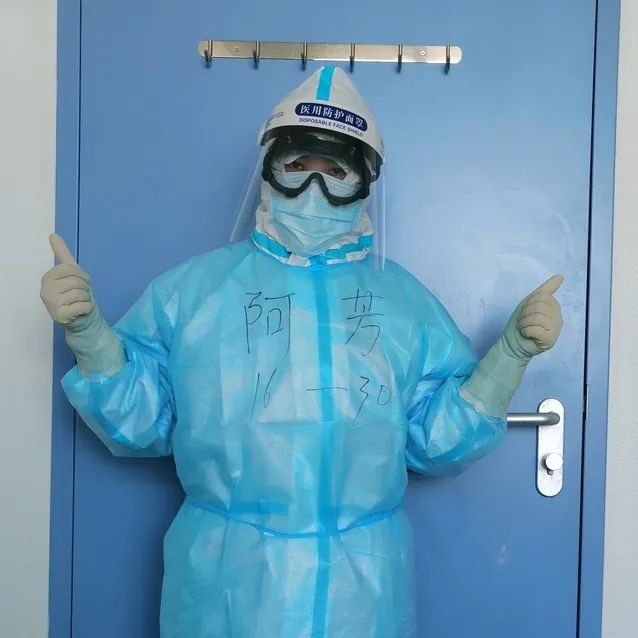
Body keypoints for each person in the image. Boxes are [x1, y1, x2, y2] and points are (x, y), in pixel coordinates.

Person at [41, 66, 563, 637]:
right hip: (224, 585)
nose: (314, 190)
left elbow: (437, 440)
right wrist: (89, 332)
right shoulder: (193, 293)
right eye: (297, 166)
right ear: (268, 170)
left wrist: (511, 353)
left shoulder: (404, 304)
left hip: (360, 591)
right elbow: (142, 423)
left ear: (364, 183)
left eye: (336, 171)